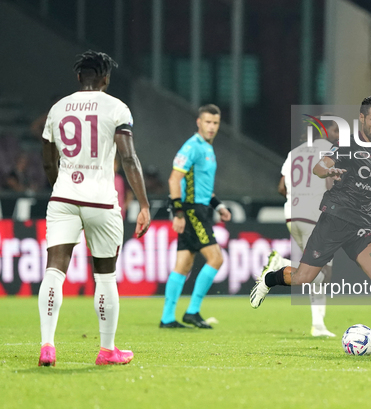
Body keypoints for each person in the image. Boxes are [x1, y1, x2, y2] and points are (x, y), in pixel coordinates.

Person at [251, 95, 371, 355]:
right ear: (361, 118)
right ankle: (269, 278)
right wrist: (329, 171)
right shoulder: (347, 144)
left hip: (361, 225)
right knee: (304, 277)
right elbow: (320, 167)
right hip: (334, 220)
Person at [38, 50, 151, 366]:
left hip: (63, 198)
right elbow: (128, 158)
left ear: (78, 77)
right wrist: (143, 204)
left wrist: (61, 187)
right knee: (104, 277)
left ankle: (47, 346)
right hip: (100, 199)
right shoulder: (116, 107)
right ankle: (106, 350)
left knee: (54, 271)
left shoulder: (57, 109)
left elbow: (48, 159)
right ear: (105, 79)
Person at [159, 104, 231, 329]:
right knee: (216, 258)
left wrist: (218, 206)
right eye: (207, 122)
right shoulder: (192, 147)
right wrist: (178, 212)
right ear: (198, 122)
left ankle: (167, 317)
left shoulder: (207, 148)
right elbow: (173, 179)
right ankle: (192, 311)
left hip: (200, 208)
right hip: (191, 211)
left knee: (183, 263)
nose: (211, 127)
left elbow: (202, 187)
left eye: (215, 123)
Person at [274, 116, 339, 337]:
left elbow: (281, 187)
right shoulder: (328, 149)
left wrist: (297, 195)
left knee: (314, 269)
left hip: (292, 215)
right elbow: (330, 182)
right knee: (324, 272)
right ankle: (280, 263)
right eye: (334, 129)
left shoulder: (294, 153)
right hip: (316, 215)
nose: (337, 134)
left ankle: (318, 325)